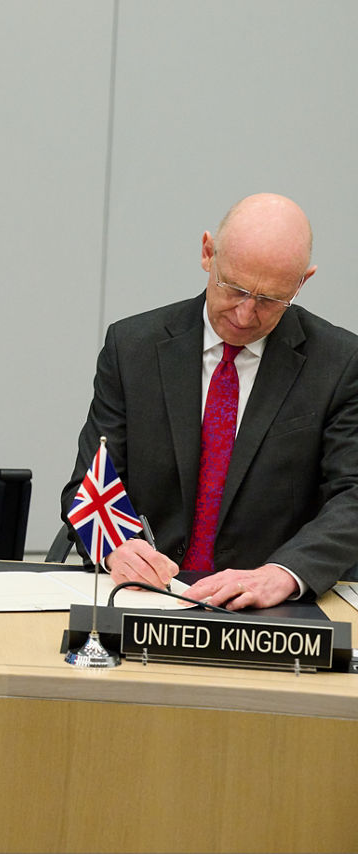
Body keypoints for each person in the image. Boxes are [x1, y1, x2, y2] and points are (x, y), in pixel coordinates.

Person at [61, 193, 358, 610]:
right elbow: (90, 484)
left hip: (272, 609)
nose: (244, 314)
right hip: (149, 597)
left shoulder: (340, 364)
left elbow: (353, 495)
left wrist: (286, 574)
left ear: (302, 282)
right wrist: (117, 549)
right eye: (234, 289)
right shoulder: (133, 349)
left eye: (270, 300)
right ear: (207, 253)